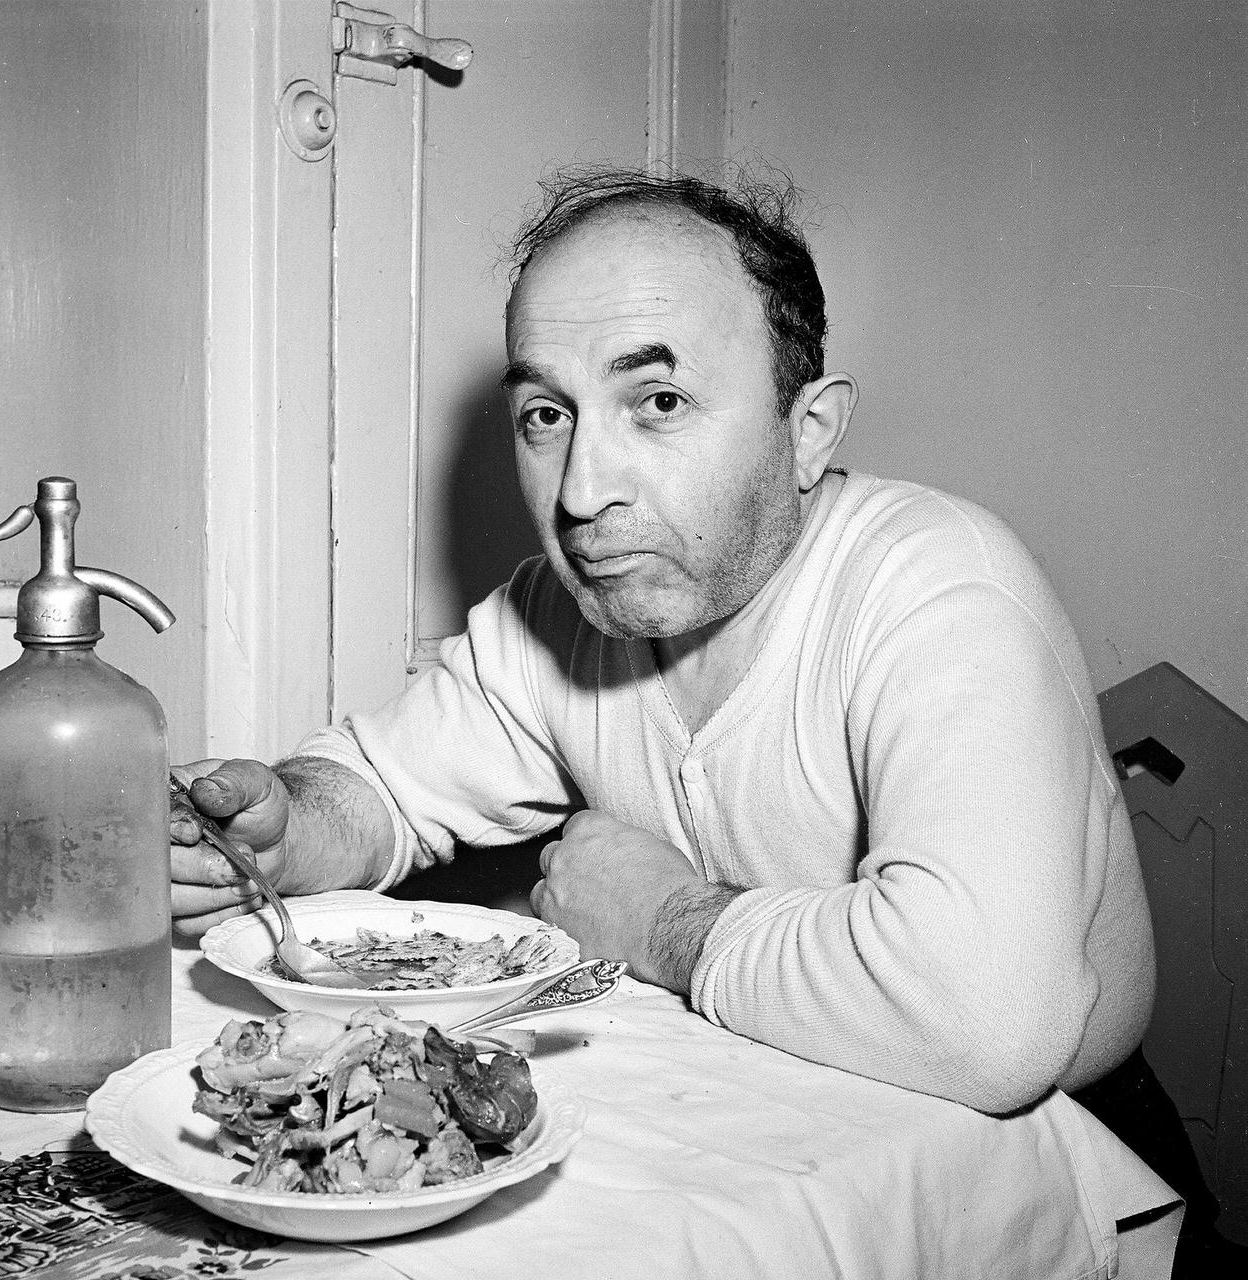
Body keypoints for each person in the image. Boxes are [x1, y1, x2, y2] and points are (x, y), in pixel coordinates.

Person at [170, 165, 1237, 1271]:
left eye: (659, 403)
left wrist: (666, 919)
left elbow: (990, 1021)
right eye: (546, 414)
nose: (582, 490)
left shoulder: (940, 587)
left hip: (1050, 1168)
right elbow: (386, 786)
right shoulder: (559, 610)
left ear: (808, 427)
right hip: (764, 1136)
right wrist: (291, 824)